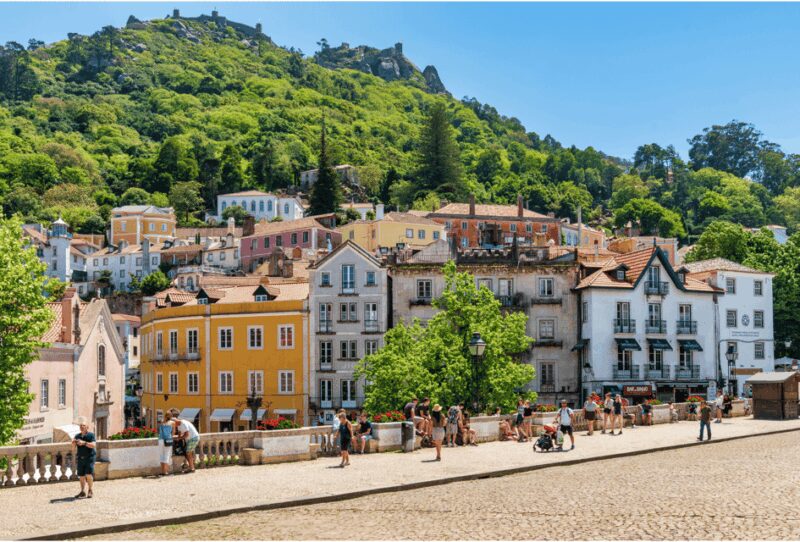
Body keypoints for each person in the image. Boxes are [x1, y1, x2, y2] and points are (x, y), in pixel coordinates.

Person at [72, 417, 96, 498]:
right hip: (80, 458)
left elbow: (93, 445)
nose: (82, 427)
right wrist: (73, 443)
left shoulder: (91, 435)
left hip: (89, 458)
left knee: (88, 475)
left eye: (83, 425)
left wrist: (84, 443)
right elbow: (73, 448)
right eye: (81, 425)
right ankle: (82, 491)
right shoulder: (77, 436)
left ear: (87, 427)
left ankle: (90, 490)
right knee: (81, 476)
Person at [170, 408, 199, 473]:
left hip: (193, 438)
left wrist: (179, 438)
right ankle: (191, 467)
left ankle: (192, 468)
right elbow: (180, 434)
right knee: (188, 453)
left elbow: (186, 434)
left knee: (188, 452)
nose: (174, 426)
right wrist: (177, 437)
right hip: (190, 438)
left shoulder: (183, 423)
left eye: (174, 425)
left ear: (176, 422)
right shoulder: (179, 425)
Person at [158, 411, 176, 476]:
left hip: (160, 440)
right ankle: (165, 472)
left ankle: (162, 471)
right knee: (167, 455)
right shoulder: (172, 423)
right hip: (167, 440)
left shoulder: (162, 422)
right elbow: (173, 432)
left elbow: (159, 431)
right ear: (171, 416)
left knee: (161, 455)